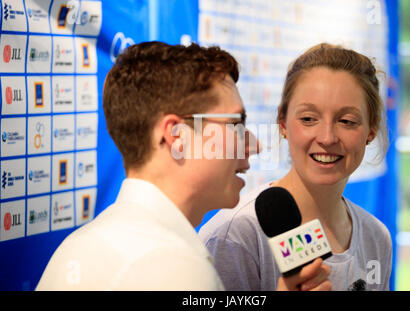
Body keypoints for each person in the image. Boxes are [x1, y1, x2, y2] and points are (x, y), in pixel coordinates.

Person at [36, 41, 330, 291]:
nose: (254, 144)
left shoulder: (104, 241)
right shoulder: (167, 263)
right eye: (236, 124)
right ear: (176, 136)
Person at [199, 43, 393, 291]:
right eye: (308, 119)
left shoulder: (376, 237)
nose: (327, 138)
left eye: (346, 121)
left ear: (371, 130)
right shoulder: (237, 235)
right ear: (283, 123)